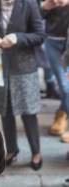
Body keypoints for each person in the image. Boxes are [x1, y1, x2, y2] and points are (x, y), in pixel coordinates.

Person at [0, 0, 45, 170]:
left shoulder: (29, 4)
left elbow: (40, 35)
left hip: (24, 66)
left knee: (28, 111)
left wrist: (17, 38)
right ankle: (11, 149)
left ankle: (36, 152)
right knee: (5, 110)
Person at [40, 0, 69, 141]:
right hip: (52, 41)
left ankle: (62, 112)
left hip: (68, 42)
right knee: (64, 85)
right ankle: (63, 114)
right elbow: (34, 17)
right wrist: (44, 7)